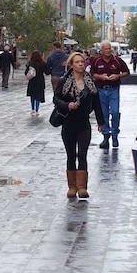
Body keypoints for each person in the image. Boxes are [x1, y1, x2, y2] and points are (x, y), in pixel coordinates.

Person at [53, 52, 103, 199]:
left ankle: (82, 187)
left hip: (83, 123)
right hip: (68, 122)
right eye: (77, 62)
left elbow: (97, 102)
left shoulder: (90, 82)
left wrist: (101, 122)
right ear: (72, 64)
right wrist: (67, 105)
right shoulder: (64, 82)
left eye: (82, 62)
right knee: (70, 155)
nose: (81, 64)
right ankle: (72, 186)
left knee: (82, 154)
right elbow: (56, 99)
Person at [89, 40, 130, 150]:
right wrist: (100, 77)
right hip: (101, 89)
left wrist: (117, 76)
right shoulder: (97, 61)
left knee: (115, 112)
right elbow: (92, 73)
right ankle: (106, 136)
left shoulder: (117, 60)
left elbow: (126, 72)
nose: (108, 51)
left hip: (113, 89)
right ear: (101, 50)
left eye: (109, 48)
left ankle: (115, 134)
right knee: (104, 114)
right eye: (106, 49)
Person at [25, 49, 47, 116]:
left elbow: (26, 72)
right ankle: (37, 110)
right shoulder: (42, 63)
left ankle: (32, 109)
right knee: (38, 96)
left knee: (32, 96)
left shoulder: (30, 63)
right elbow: (47, 72)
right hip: (40, 81)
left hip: (32, 81)